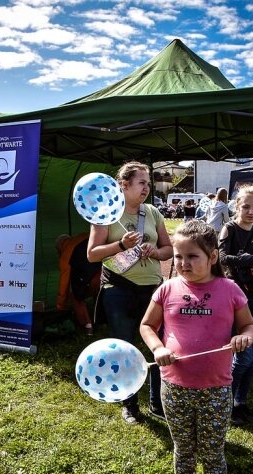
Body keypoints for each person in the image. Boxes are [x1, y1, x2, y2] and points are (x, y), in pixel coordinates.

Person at [140, 219, 253, 474]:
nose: (183, 263)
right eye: (179, 256)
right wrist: (158, 348)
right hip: (174, 387)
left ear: (212, 257)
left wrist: (243, 336)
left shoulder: (229, 289)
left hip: (216, 388)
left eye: (192, 256)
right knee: (183, 448)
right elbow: (147, 325)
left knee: (212, 452)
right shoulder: (167, 290)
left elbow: (249, 325)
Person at [86, 160, 173, 424]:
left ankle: (158, 403)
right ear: (124, 185)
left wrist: (155, 251)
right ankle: (130, 404)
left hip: (153, 291)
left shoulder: (153, 213)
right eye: (141, 183)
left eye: (148, 183)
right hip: (119, 289)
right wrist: (120, 244)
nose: (146, 188)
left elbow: (169, 249)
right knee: (124, 347)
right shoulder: (106, 213)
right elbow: (92, 254)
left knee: (159, 345)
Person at [217, 184, 253, 425]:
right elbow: (221, 258)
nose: (251, 211)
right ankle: (222, 400)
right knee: (243, 357)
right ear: (236, 206)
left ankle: (239, 404)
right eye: (246, 206)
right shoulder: (229, 228)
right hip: (235, 301)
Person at [55, 233, 100, 335]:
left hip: (94, 278)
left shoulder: (66, 252)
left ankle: (87, 327)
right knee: (98, 293)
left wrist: (61, 307)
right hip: (110, 272)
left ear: (60, 246)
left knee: (75, 297)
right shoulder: (85, 236)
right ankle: (102, 320)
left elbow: (64, 284)